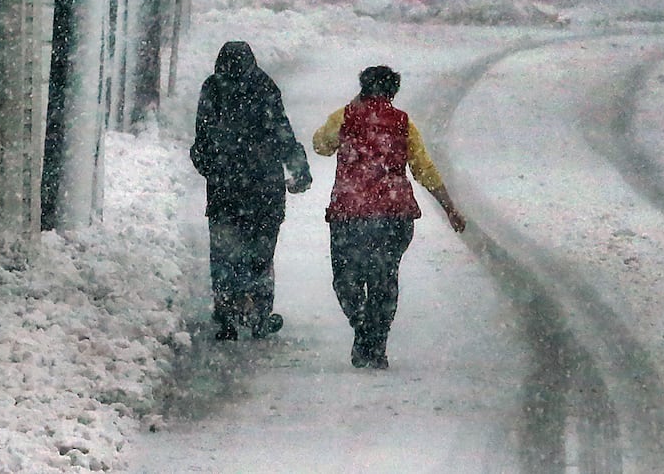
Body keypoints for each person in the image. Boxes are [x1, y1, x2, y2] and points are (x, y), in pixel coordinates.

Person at [312, 65, 465, 369]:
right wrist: (448, 206)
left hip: (349, 214)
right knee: (383, 280)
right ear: (393, 92)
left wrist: (354, 107)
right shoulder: (403, 123)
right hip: (393, 215)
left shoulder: (344, 117)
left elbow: (320, 145)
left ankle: (361, 328)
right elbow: (424, 169)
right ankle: (376, 342)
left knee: (347, 281)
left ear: (363, 88)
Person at [191, 41, 312, 341]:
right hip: (265, 190)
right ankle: (259, 313)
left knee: (224, 254)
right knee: (261, 252)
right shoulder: (264, 86)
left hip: (224, 192)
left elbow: (202, 138)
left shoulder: (213, 88)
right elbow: (283, 131)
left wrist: (212, 167)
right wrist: (299, 167)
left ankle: (227, 315)